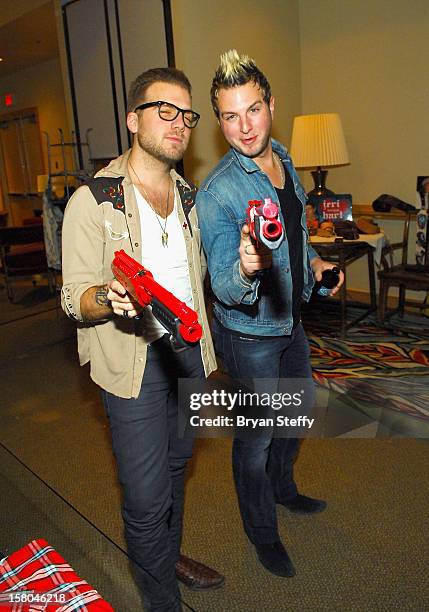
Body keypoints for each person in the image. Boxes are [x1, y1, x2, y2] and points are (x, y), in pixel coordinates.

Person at [61, 67, 224, 611]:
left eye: (188, 114)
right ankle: (161, 602)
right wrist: (107, 297)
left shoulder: (189, 197)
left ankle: (167, 557)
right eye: (165, 110)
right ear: (133, 119)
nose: (180, 124)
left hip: (188, 356)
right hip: (132, 361)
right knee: (148, 496)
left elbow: (203, 283)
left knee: (179, 466)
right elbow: (73, 297)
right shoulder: (94, 199)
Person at [196, 50, 344, 578]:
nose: (244, 127)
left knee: (295, 417)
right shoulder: (217, 193)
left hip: (291, 323)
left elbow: (297, 240)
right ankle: (262, 534)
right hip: (250, 335)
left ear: (271, 106)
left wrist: (318, 267)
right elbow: (226, 286)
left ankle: (284, 492)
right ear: (218, 121)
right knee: (255, 440)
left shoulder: (284, 160)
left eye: (253, 110)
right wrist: (246, 265)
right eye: (231, 116)